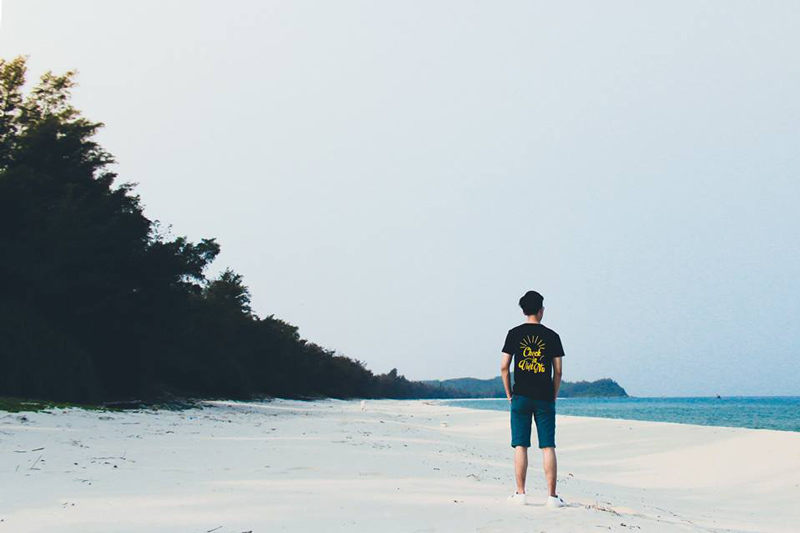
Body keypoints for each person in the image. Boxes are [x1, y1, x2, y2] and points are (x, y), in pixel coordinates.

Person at [500, 290, 566, 508]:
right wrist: (553, 394)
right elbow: (558, 371)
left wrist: (509, 393)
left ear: (523, 311)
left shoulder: (514, 334)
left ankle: (520, 493)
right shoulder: (552, 336)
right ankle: (552, 497)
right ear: (541, 310)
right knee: (548, 446)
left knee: (521, 445)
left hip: (520, 396)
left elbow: (504, 367)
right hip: (544, 397)